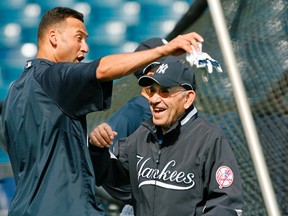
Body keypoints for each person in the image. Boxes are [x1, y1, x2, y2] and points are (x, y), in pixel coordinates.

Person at [1, 6, 204, 216]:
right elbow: (102, 69)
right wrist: (164, 50)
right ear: (53, 37)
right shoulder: (52, 77)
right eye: (79, 38)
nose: (85, 47)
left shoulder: (14, 93)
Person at [89, 61, 244, 216]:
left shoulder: (210, 139)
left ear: (188, 98)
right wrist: (98, 149)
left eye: (165, 91)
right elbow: (116, 180)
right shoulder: (142, 134)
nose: (154, 99)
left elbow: (227, 206)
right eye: (151, 91)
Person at [95, 37, 178, 215]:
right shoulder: (133, 113)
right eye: (167, 63)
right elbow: (103, 168)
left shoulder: (168, 114)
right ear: (149, 74)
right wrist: (136, 194)